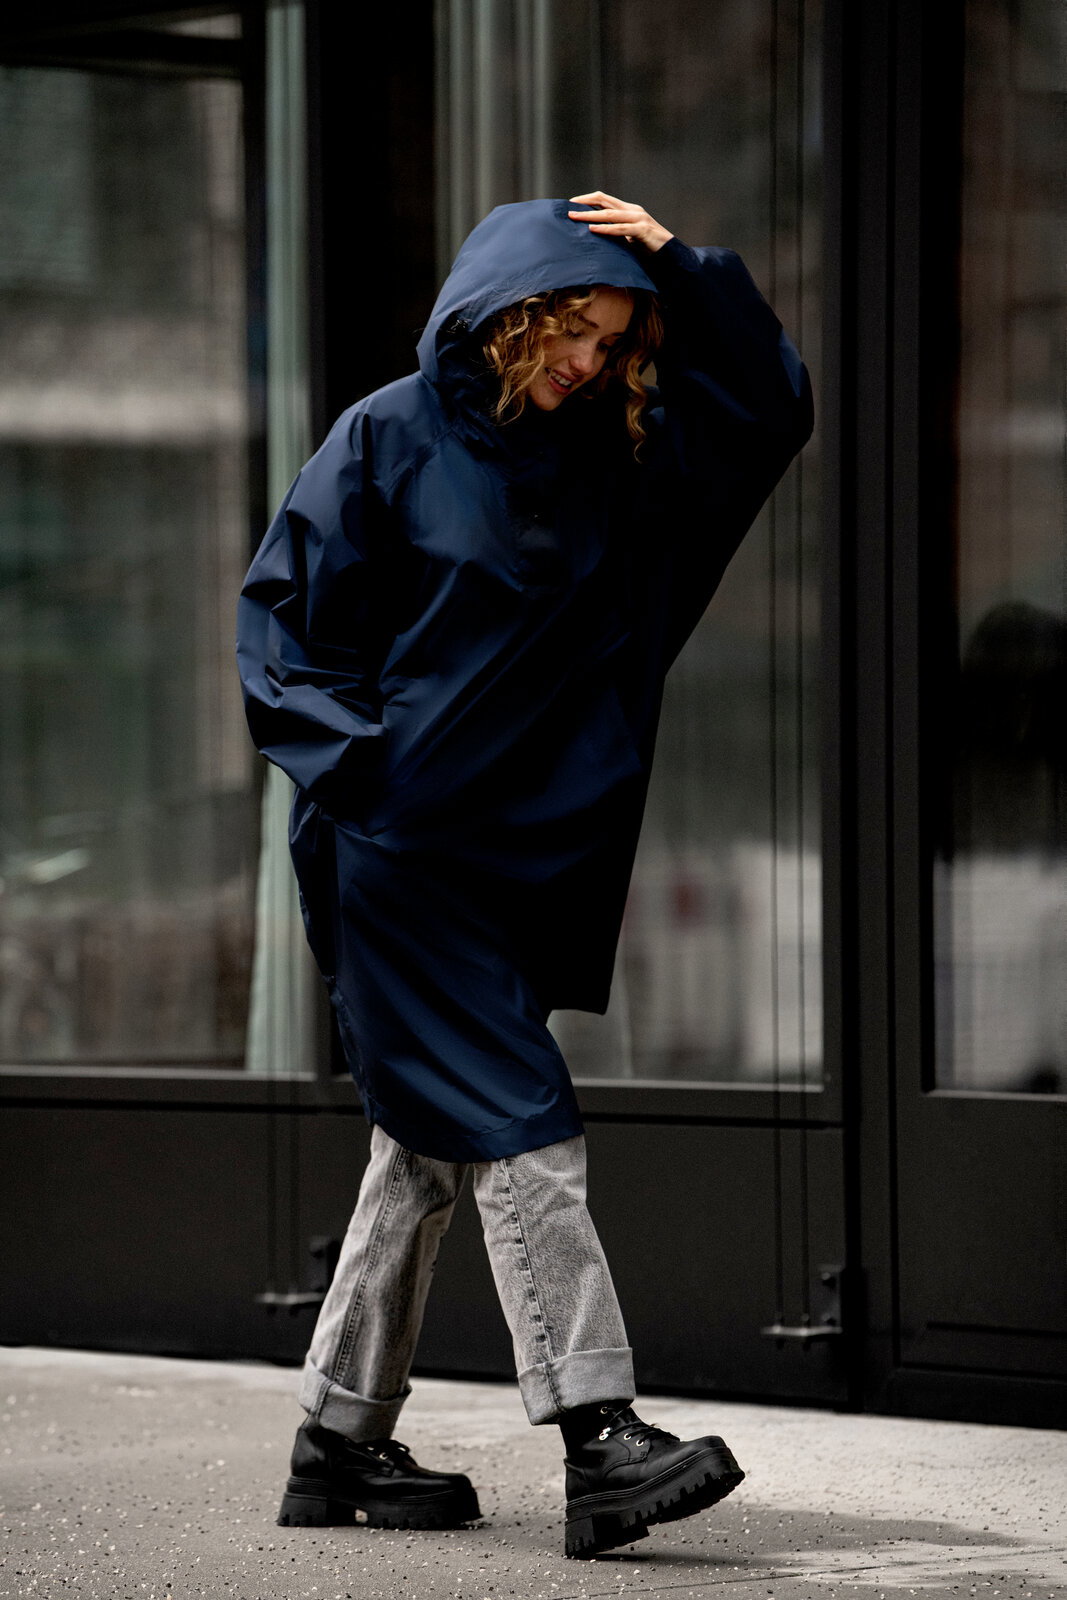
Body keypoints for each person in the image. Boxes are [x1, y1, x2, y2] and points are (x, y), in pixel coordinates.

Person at [236, 191, 814, 1559]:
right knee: (520, 1121)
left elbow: (773, 407)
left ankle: (335, 1444)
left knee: (427, 1146)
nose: (589, 366)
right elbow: (280, 630)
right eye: (575, 333)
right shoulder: (386, 436)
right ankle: (600, 1435)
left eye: (617, 343)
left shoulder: (619, 457)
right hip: (397, 854)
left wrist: (682, 263)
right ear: (518, 312)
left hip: (516, 858)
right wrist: (377, 775)